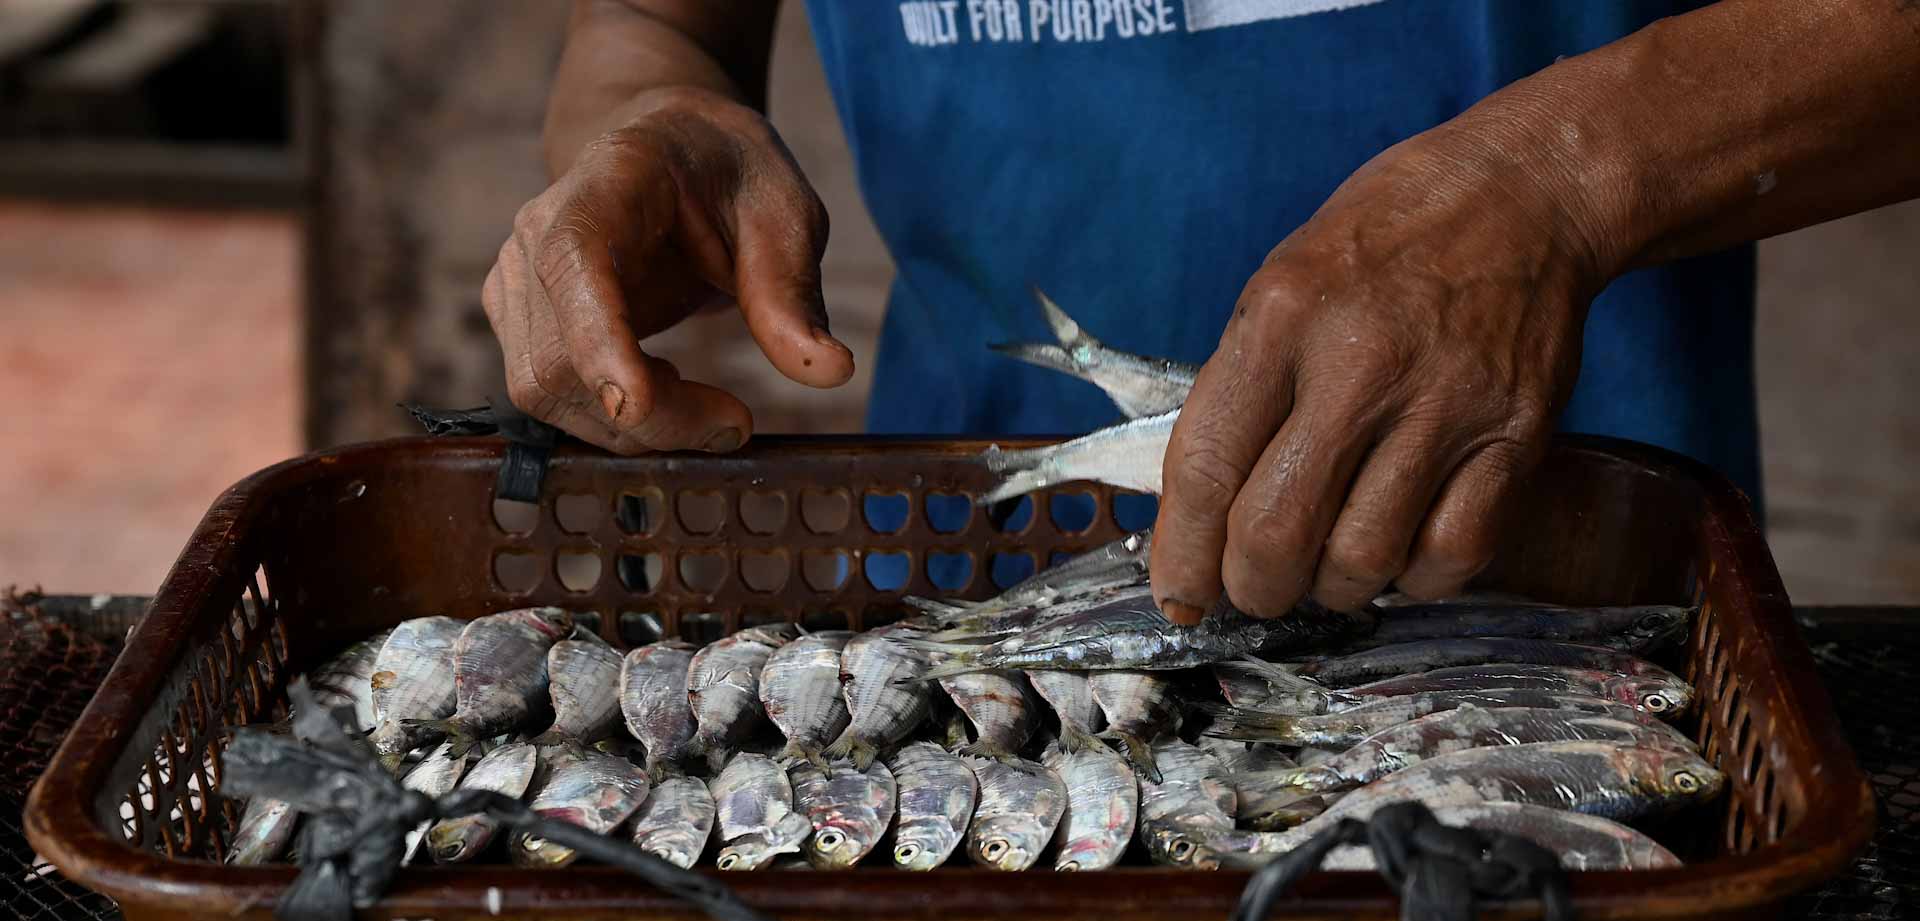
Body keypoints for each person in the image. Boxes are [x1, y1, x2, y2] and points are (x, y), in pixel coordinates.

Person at [483, 0, 1919, 624]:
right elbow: (651, 18)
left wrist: (1553, 182)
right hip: (967, 604)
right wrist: (648, 113)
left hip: (1562, 626)